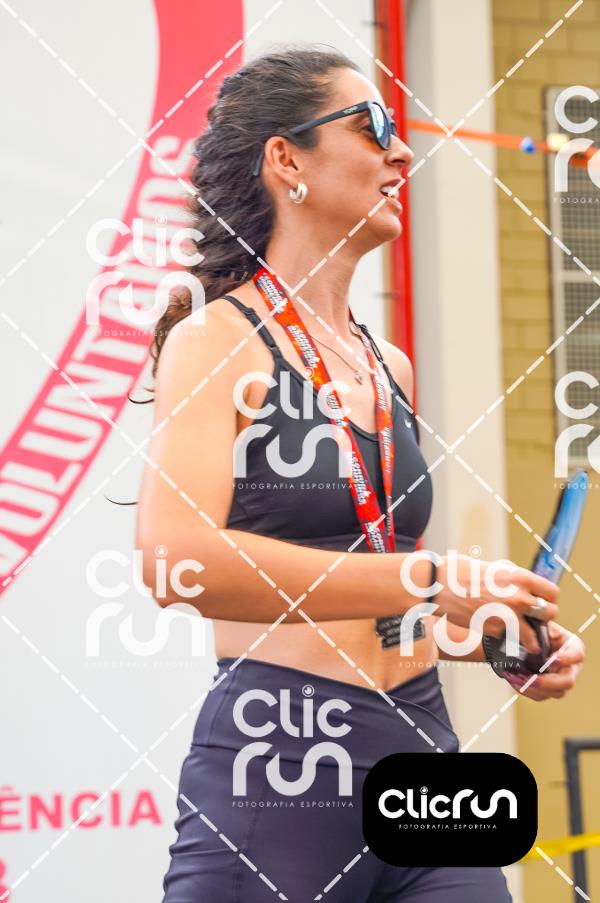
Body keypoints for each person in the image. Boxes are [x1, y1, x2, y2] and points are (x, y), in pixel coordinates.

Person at [136, 46, 585, 903]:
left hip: (420, 748)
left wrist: (488, 629)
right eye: (373, 126)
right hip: (280, 764)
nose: (402, 150)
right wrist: (432, 578)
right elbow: (173, 560)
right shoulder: (217, 339)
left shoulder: (390, 366)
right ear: (286, 159)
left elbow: (381, 593)